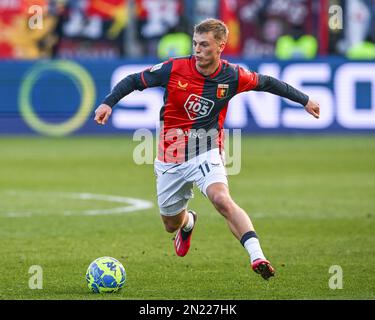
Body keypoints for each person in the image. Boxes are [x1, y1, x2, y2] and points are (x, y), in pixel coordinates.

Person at [94, 18, 320, 280]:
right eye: (195, 44)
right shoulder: (174, 68)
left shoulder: (233, 75)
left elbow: (267, 82)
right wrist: (108, 103)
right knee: (170, 224)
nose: (197, 50)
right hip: (170, 157)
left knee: (221, 199)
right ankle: (188, 222)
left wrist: (304, 100)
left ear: (220, 46)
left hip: (206, 149)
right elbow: (134, 80)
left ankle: (257, 255)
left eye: (203, 44)